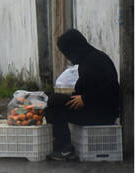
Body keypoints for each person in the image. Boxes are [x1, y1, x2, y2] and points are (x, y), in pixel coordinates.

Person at [45, 29, 120, 161]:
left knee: (54, 104)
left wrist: (86, 98)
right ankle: (63, 146)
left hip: (102, 114)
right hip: (94, 108)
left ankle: (65, 149)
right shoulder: (89, 59)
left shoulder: (95, 60)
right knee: (53, 102)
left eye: (67, 53)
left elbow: (111, 88)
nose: (68, 57)